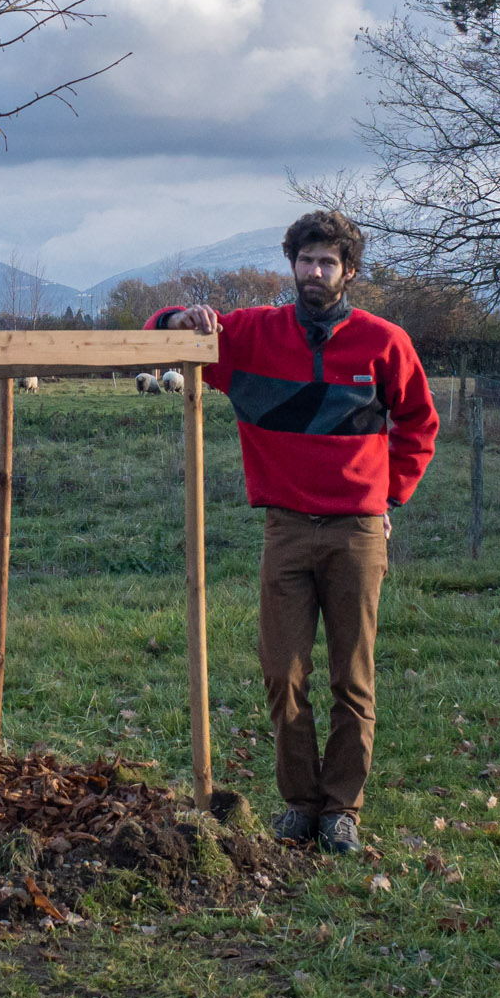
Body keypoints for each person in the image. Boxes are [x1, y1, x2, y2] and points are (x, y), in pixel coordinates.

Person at [149, 210, 436, 854]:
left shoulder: (383, 342)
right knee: (283, 671)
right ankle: (300, 803)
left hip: (357, 533)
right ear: (293, 265)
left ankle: (341, 808)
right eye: (305, 260)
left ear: (349, 271)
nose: (314, 271)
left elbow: (419, 423)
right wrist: (178, 320)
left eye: (327, 262)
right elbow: (159, 337)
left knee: (351, 676)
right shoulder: (252, 336)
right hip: (285, 530)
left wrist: (389, 494)